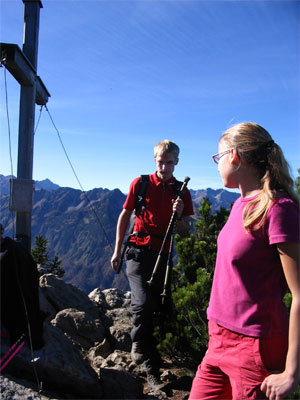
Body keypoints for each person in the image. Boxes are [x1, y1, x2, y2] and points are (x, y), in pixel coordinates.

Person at [189, 122, 300, 400]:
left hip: (256, 347)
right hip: (218, 339)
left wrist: (292, 373)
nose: (216, 165)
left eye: (218, 157)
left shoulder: (278, 209)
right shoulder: (240, 205)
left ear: (234, 156)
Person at [111, 140, 194, 390]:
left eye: (170, 162)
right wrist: (116, 250)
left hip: (163, 255)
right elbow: (125, 215)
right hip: (137, 251)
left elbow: (185, 233)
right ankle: (137, 342)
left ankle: (152, 369)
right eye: (161, 161)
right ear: (154, 159)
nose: (165, 166)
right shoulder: (141, 183)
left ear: (176, 162)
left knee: (157, 310)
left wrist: (179, 215)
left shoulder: (182, 191)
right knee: (144, 302)